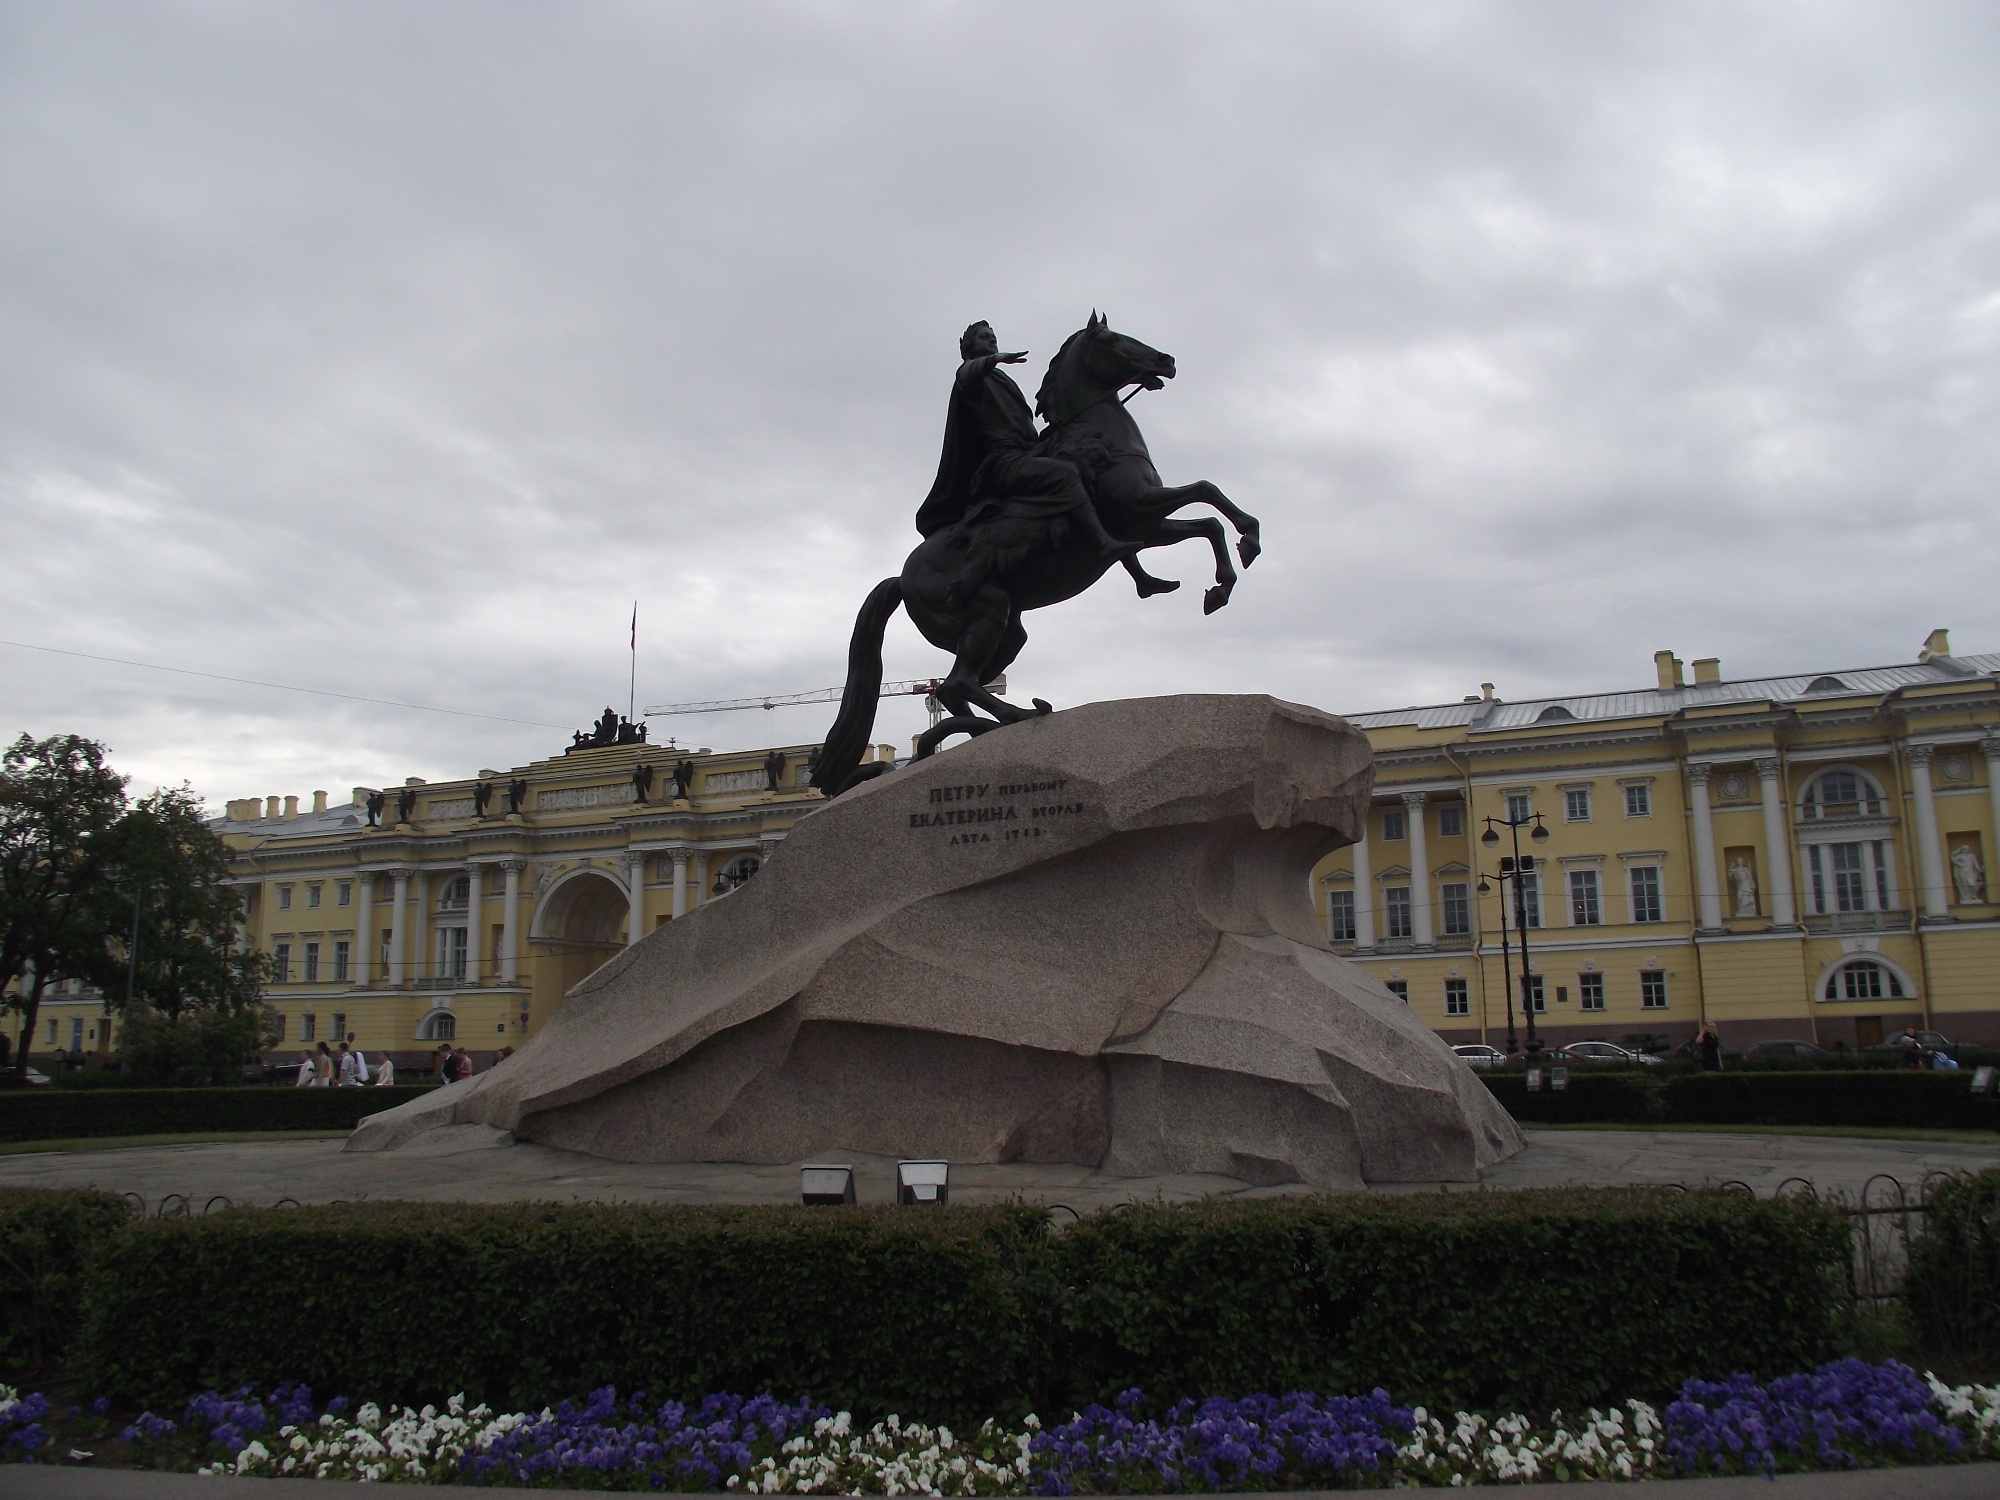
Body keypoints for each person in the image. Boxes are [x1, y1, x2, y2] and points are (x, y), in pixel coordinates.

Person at [914, 321, 1142, 565]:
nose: (991, 340)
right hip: (1004, 461)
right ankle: (1103, 543)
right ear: (969, 347)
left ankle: (1140, 575)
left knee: (1092, 471)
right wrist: (995, 359)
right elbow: (966, 373)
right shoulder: (971, 376)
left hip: (1028, 453)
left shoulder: (1001, 379)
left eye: (992, 336)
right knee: (1065, 473)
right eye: (983, 337)